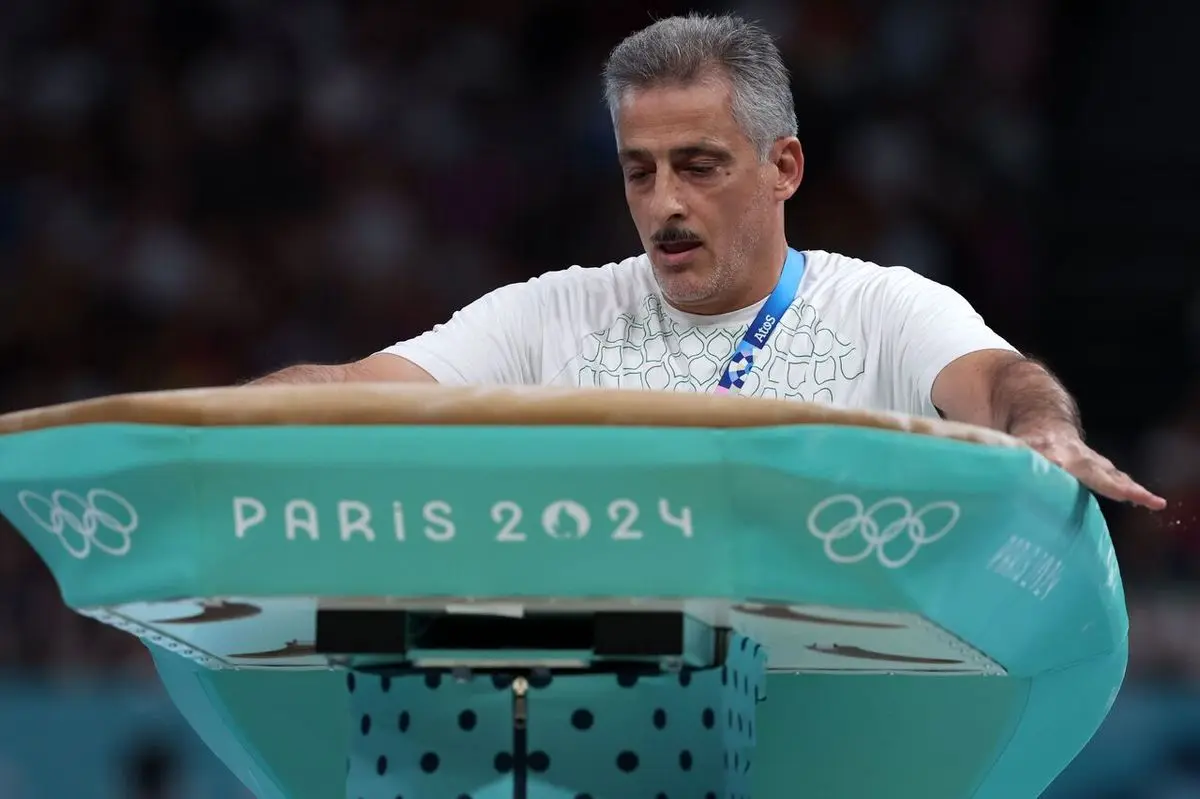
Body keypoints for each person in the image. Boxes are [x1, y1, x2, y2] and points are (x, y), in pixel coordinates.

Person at [250, 13, 1164, 512]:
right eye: (639, 171)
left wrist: (1042, 428)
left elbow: (1000, 380)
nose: (664, 204)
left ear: (783, 167)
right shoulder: (548, 315)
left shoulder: (883, 308)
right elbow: (356, 389)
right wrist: (213, 427)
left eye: (698, 166)